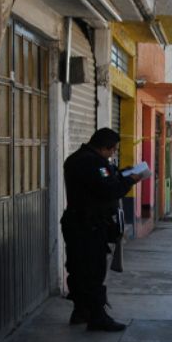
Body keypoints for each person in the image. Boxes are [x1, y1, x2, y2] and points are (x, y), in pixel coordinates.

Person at [62, 128, 145, 331]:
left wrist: (118, 173)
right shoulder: (95, 162)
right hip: (90, 225)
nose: (112, 154)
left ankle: (81, 310)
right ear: (104, 147)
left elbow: (99, 182)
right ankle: (97, 317)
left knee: (78, 268)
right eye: (112, 150)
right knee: (94, 270)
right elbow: (110, 190)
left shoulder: (75, 159)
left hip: (75, 222)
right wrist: (130, 180)